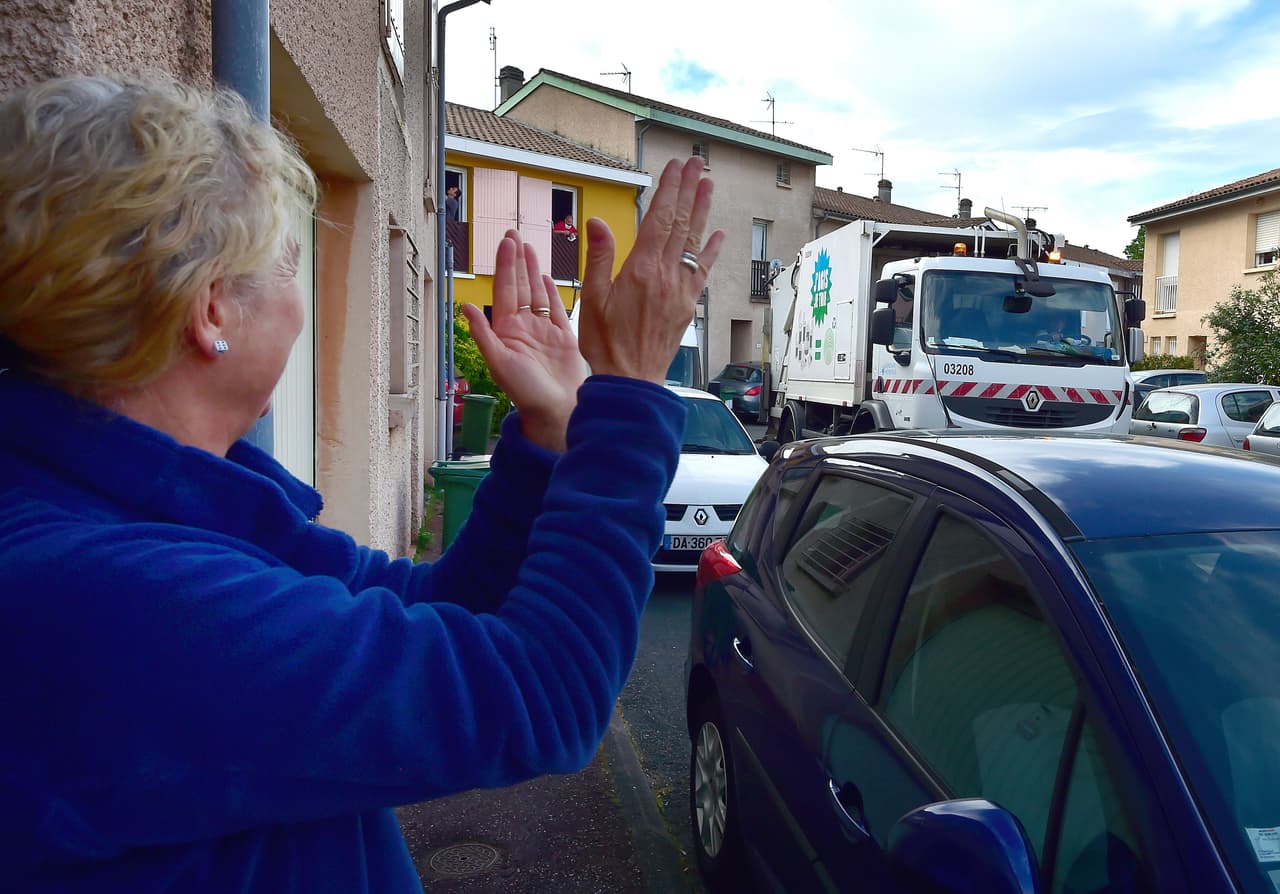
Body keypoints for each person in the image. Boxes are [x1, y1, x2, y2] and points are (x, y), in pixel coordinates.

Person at [0, 74, 724, 893]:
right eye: (290, 262)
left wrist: (551, 433)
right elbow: (541, 692)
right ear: (211, 311)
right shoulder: (101, 596)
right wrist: (627, 393)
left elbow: (442, 606)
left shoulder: (154, 505)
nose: (301, 299)